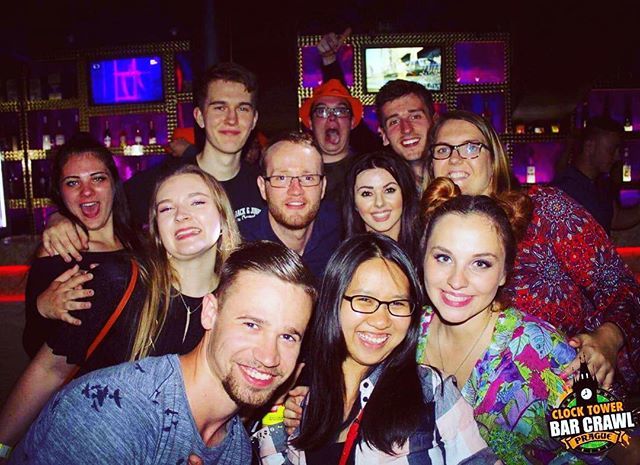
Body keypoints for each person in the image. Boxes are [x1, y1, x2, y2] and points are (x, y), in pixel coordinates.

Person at [0, 164, 241, 452]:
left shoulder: (237, 304)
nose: (181, 215)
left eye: (197, 202)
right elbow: (49, 369)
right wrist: (2, 446)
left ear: (223, 216)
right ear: (157, 230)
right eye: (166, 208)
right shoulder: (117, 281)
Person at [8, 241, 317, 465]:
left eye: (288, 336)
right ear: (210, 312)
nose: (269, 357)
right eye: (251, 324)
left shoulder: (236, 447)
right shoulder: (114, 412)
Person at [423, 110, 640, 395]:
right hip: (481, 404)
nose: (455, 158)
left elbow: (623, 289)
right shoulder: (429, 233)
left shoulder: (546, 211)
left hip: (574, 392)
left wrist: (609, 337)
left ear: (494, 160)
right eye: (443, 149)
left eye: (471, 147)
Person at [256, 234, 498, 464]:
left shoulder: (432, 392)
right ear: (333, 302)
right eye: (364, 300)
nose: (381, 321)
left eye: (397, 303)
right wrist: (274, 409)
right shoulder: (306, 406)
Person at [416, 177, 591, 464]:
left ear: (504, 273)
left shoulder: (540, 349)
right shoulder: (405, 332)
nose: (457, 281)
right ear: (423, 258)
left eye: (480, 263)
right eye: (444, 258)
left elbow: (619, 445)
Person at [40, 62, 263, 262]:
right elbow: (97, 204)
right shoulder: (159, 182)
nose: (231, 119)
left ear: (254, 120)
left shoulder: (265, 185)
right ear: (199, 117)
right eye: (220, 107)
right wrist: (59, 218)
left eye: (243, 108)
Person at [240, 131, 341, 280]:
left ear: (323, 186)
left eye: (308, 178)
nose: (296, 190)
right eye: (281, 178)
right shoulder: (241, 249)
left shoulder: (340, 231)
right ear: (262, 187)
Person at [553, 116, 640, 234]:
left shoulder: (601, 184)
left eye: (618, 151)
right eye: (611, 150)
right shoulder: (566, 189)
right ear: (589, 147)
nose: (617, 157)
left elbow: (614, 219)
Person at [343, 150, 420, 260]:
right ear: (354, 202)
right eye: (367, 193)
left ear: (405, 193)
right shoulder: (346, 261)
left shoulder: (427, 249)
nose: (379, 203)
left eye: (389, 190)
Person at [299, 78, 364, 204]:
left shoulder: (366, 169)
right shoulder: (296, 172)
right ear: (310, 122)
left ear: (352, 122)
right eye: (321, 111)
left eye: (341, 111)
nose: (332, 117)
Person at [375, 79, 437, 186]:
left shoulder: (460, 175)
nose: (406, 129)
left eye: (415, 117)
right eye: (394, 122)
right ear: (384, 135)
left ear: (435, 122)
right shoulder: (380, 187)